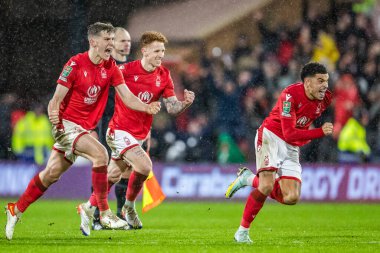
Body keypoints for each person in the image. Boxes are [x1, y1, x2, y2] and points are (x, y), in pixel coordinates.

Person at [4, 22, 161, 240]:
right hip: (66, 125)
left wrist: (147, 107)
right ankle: (104, 213)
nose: (111, 44)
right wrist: (53, 115)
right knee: (101, 154)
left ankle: (16, 209)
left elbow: (127, 97)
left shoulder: (111, 68)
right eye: (107, 40)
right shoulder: (75, 64)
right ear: (93, 42)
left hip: (83, 129)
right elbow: (55, 100)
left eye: (112, 40)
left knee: (50, 175)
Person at [80, 30, 195, 230]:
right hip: (118, 132)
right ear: (145, 51)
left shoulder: (164, 75)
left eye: (163, 50)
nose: (161, 54)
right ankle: (128, 208)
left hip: (139, 135)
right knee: (144, 166)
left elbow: (172, 107)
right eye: (157, 50)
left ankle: (88, 207)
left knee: (113, 175)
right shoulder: (125, 70)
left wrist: (184, 103)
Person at [225, 62, 333, 243]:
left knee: (291, 197)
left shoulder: (326, 99)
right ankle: (242, 232)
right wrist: (318, 132)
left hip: (291, 145)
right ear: (307, 83)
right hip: (271, 136)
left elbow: (302, 123)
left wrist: (305, 135)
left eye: (326, 81)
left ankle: (249, 179)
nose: (325, 86)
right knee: (266, 186)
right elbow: (289, 133)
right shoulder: (290, 95)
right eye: (320, 81)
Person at [93, 27, 133, 228]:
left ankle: (119, 214)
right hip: (108, 122)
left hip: (129, 123)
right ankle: (96, 216)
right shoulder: (105, 66)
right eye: (122, 40)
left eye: (129, 40)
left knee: (126, 168)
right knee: (104, 167)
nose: (127, 44)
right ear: (113, 43)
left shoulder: (134, 67)